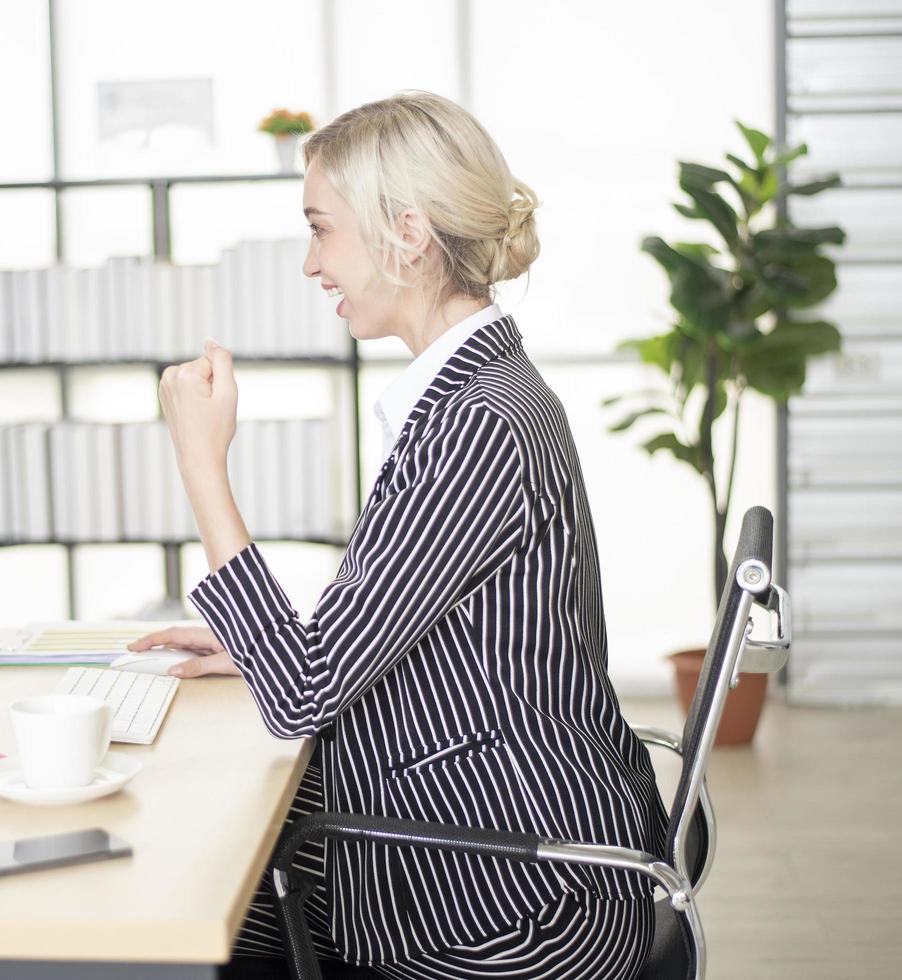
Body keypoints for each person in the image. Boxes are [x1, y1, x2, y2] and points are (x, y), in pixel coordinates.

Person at [132, 90, 666, 979]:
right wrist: (269, 644)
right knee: (214, 897)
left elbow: (304, 695)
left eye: (321, 230)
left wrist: (201, 462)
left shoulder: (475, 424)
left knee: (198, 913)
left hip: (511, 904)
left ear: (407, 234)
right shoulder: (476, 392)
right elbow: (413, 624)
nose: (312, 264)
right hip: (495, 836)